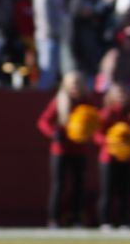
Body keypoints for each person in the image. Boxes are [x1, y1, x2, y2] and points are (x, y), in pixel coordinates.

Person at [36, 72, 97, 227]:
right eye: (72, 83)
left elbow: (95, 122)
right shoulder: (59, 101)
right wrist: (54, 133)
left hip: (79, 150)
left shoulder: (86, 102)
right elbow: (43, 122)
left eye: (77, 83)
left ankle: (77, 218)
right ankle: (53, 219)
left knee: (79, 185)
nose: (74, 87)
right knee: (58, 185)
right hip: (61, 150)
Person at [93, 83, 130, 229]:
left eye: (124, 94)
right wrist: (111, 142)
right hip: (108, 158)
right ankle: (105, 221)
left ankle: (125, 221)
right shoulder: (106, 113)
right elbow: (97, 135)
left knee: (125, 191)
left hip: (127, 158)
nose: (121, 97)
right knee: (107, 190)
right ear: (111, 96)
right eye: (118, 94)